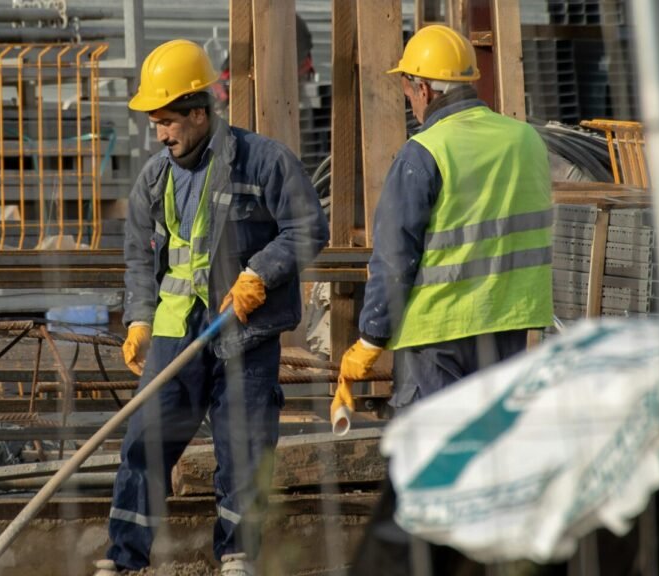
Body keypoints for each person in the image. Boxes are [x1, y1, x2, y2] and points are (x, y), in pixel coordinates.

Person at [93, 39, 329, 576]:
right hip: (178, 334)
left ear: (200, 113)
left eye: (170, 121)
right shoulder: (154, 178)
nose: (161, 133)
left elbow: (308, 228)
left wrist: (259, 274)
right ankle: (125, 560)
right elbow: (137, 254)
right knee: (145, 444)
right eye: (155, 122)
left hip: (243, 331)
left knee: (243, 451)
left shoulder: (263, 160)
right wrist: (138, 319)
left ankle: (237, 555)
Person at [331, 25, 554, 575]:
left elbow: (393, 258)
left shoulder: (422, 152)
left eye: (407, 88)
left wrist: (368, 339)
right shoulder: (525, 140)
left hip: (437, 336)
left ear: (423, 89)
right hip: (510, 327)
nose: (408, 100)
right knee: (495, 455)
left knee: (428, 462)